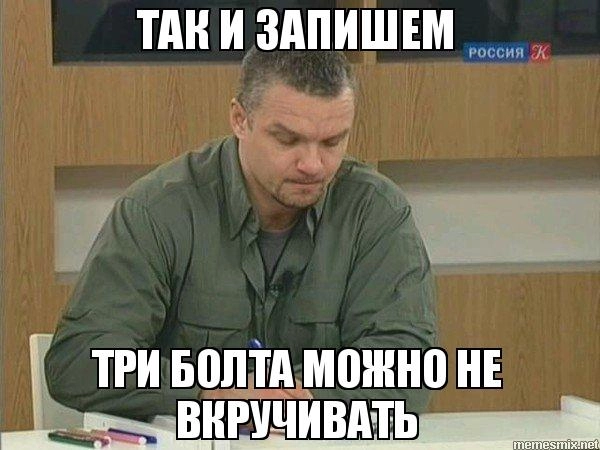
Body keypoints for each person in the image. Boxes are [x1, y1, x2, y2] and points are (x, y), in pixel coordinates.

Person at [45, 48, 437, 419]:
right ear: (240, 120)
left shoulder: (375, 212)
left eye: (332, 142)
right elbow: (79, 359)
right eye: (288, 139)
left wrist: (297, 397)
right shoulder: (158, 211)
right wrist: (211, 391)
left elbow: (409, 365)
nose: (313, 165)